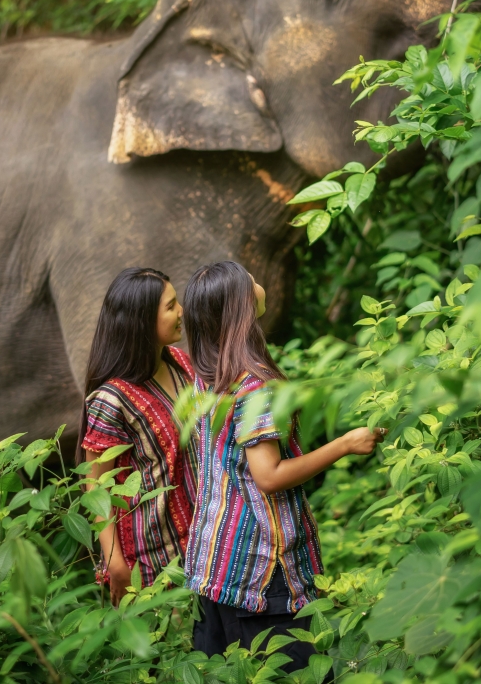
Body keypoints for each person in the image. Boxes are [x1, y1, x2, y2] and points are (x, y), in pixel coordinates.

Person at [182, 260, 384, 672]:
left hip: (215, 559)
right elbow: (269, 476)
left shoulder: (207, 376)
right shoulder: (253, 387)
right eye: (250, 281)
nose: (259, 283)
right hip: (260, 568)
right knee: (296, 673)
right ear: (240, 307)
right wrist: (345, 444)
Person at [78, 267, 197, 605]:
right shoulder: (111, 400)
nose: (181, 312)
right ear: (142, 321)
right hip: (149, 562)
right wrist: (115, 564)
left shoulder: (181, 364)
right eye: (171, 306)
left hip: (202, 545)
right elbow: (96, 487)